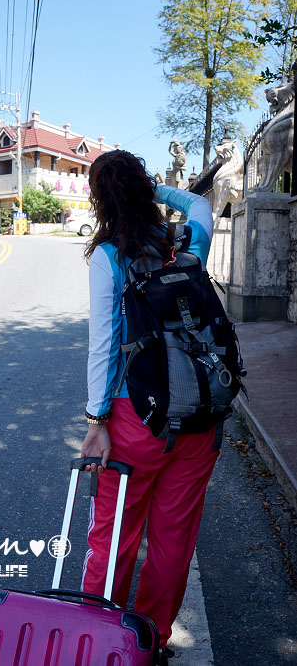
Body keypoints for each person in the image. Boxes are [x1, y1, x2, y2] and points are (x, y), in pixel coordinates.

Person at [79, 149, 217, 665]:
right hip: (199, 417)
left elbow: (104, 344)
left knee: (114, 533)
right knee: (173, 539)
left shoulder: (109, 255)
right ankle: (149, 640)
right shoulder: (187, 241)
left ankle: (98, 636)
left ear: (98, 199)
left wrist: (97, 421)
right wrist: (153, 191)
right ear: (143, 189)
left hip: (136, 418)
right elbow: (198, 205)